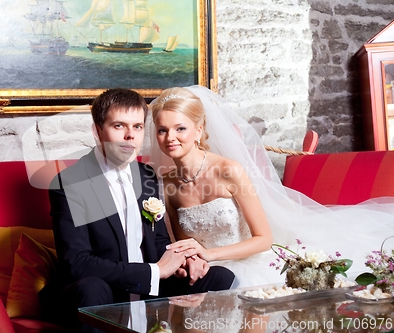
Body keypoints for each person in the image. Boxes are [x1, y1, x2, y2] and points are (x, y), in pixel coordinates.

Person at [147, 86, 394, 288]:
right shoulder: (167, 182)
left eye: (180, 128)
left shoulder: (228, 170)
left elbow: (264, 239)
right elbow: (185, 243)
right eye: (162, 130)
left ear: (198, 130)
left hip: (251, 266)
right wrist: (193, 260)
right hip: (207, 273)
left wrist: (209, 255)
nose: (170, 138)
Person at [42, 88, 235, 333]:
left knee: (218, 277)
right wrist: (154, 271)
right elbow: (77, 264)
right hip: (102, 289)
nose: (129, 136)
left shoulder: (148, 176)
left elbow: (160, 240)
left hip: (147, 286)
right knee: (91, 288)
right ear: (97, 131)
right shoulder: (70, 183)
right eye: (119, 126)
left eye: (137, 127)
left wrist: (183, 262)